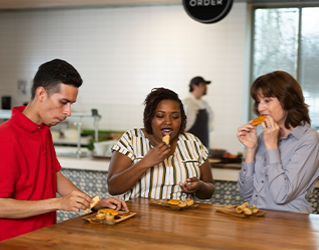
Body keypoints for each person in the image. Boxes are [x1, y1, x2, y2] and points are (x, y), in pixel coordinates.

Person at [0, 59, 128, 241]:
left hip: (44, 239)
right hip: (16, 243)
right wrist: (58, 203)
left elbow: (55, 176)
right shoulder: (6, 137)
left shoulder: (43, 130)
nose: (68, 111)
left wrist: (93, 203)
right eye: (63, 102)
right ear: (41, 93)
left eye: (71, 104)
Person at [107, 87, 215, 201]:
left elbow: (208, 191)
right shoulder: (132, 139)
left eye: (175, 117)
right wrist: (145, 162)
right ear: (150, 118)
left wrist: (200, 186)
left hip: (182, 217)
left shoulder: (193, 142)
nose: (168, 121)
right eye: (160, 116)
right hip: (138, 216)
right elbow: (113, 188)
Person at [237, 71, 319, 213]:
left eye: (267, 100)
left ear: (288, 100)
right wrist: (250, 149)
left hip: (290, 225)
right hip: (256, 221)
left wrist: (271, 146)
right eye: (258, 101)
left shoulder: (309, 139)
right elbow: (246, 193)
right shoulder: (264, 137)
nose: (260, 108)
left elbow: (282, 195)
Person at [183, 76, 213, 148]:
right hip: (190, 145)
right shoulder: (186, 103)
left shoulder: (204, 104)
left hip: (204, 143)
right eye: (203, 85)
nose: (206, 87)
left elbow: (209, 125)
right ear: (194, 86)